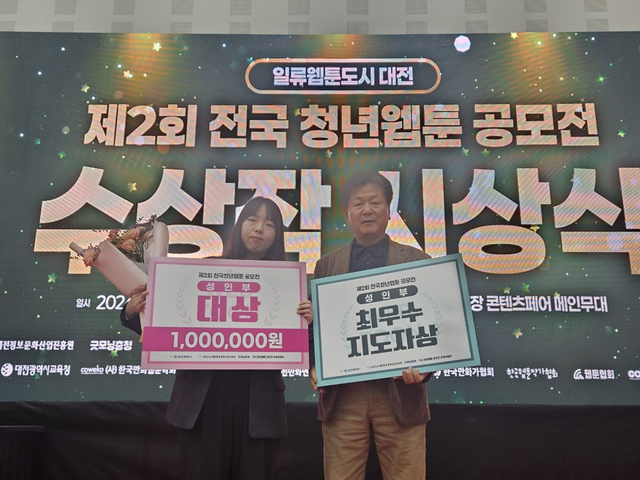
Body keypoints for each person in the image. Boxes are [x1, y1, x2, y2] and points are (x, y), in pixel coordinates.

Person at [121, 197, 313, 480]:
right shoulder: (203, 270)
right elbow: (162, 324)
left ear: (277, 235)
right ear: (239, 226)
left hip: (258, 405)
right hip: (202, 402)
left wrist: (308, 322)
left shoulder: (288, 283)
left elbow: (302, 343)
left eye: (269, 224)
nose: (259, 228)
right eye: (252, 220)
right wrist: (132, 310)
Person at [310, 172, 433, 480]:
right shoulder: (326, 265)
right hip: (343, 395)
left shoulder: (418, 260)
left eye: (375, 202)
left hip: (401, 392)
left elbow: (433, 322)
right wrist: (314, 365)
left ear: (389, 211)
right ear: (347, 213)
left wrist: (427, 367)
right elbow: (315, 326)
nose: (367, 210)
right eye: (358, 203)